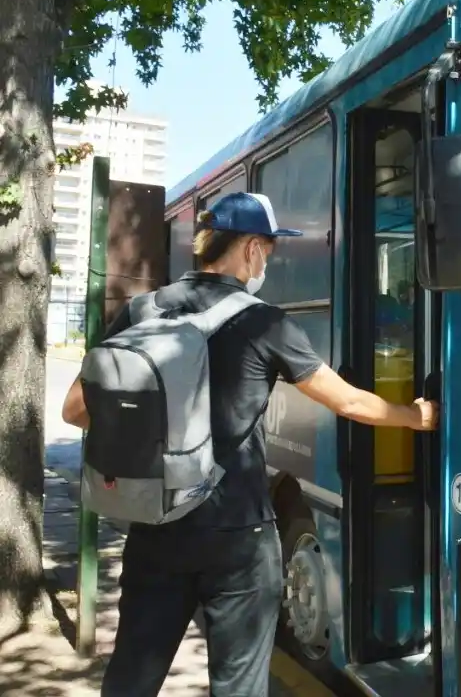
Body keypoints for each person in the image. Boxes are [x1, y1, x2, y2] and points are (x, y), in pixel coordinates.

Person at [61, 192, 438, 697]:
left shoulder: (141, 311)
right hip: (237, 536)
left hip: (155, 526)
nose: (267, 264)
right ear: (252, 249)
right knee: (238, 685)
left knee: (131, 678)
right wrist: (415, 416)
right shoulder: (264, 322)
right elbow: (348, 402)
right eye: (269, 252)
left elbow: (74, 410)